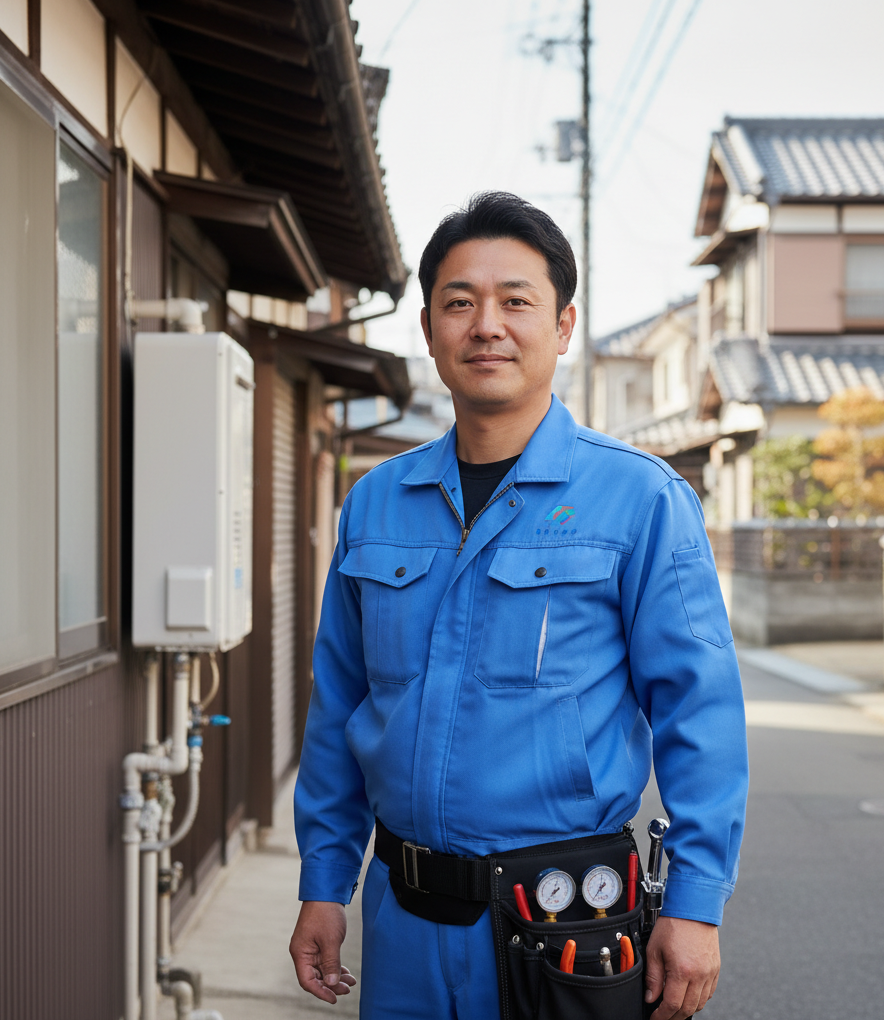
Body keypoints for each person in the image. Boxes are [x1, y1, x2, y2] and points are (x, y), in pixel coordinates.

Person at [290, 191, 748, 1020]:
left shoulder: (639, 499)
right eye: (458, 303)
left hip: (566, 922)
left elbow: (699, 712)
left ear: (563, 326)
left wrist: (696, 901)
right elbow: (340, 710)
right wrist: (324, 881)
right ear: (428, 330)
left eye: (516, 301)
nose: (486, 325)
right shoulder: (377, 503)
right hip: (403, 917)